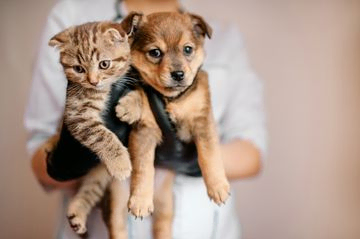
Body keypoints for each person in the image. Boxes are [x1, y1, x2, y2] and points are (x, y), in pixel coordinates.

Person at [25, 0, 266, 238]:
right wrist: (64, 161)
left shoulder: (224, 35)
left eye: (188, 50)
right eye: (155, 53)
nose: (177, 68)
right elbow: (39, 144)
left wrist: (191, 159)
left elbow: (253, 153)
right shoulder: (74, 14)